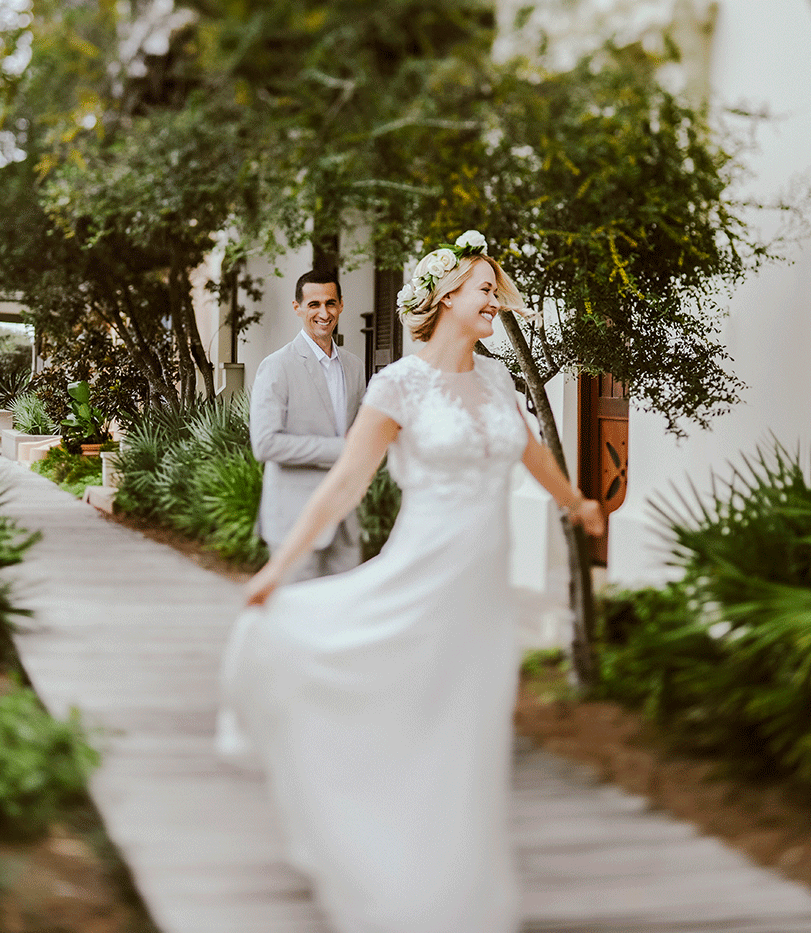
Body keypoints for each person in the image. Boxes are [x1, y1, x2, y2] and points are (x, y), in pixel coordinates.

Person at [218, 232, 604, 933]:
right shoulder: (399, 383)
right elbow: (343, 485)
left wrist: (574, 502)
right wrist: (277, 568)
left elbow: (530, 450)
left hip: (481, 599)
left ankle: (462, 893)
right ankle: (388, 866)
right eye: (484, 289)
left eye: (495, 290)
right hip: (421, 579)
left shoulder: (496, 379)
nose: (495, 300)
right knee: (411, 718)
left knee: (472, 734)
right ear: (448, 296)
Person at [249, 268, 368, 582]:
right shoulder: (277, 366)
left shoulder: (355, 367)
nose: (323, 312)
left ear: (341, 305)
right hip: (295, 522)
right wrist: (342, 450)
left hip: (345, 519)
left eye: (330, 303)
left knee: (344, 621)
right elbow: (265, 443)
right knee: (296, 621)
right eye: (313, 304)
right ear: (297, 308)